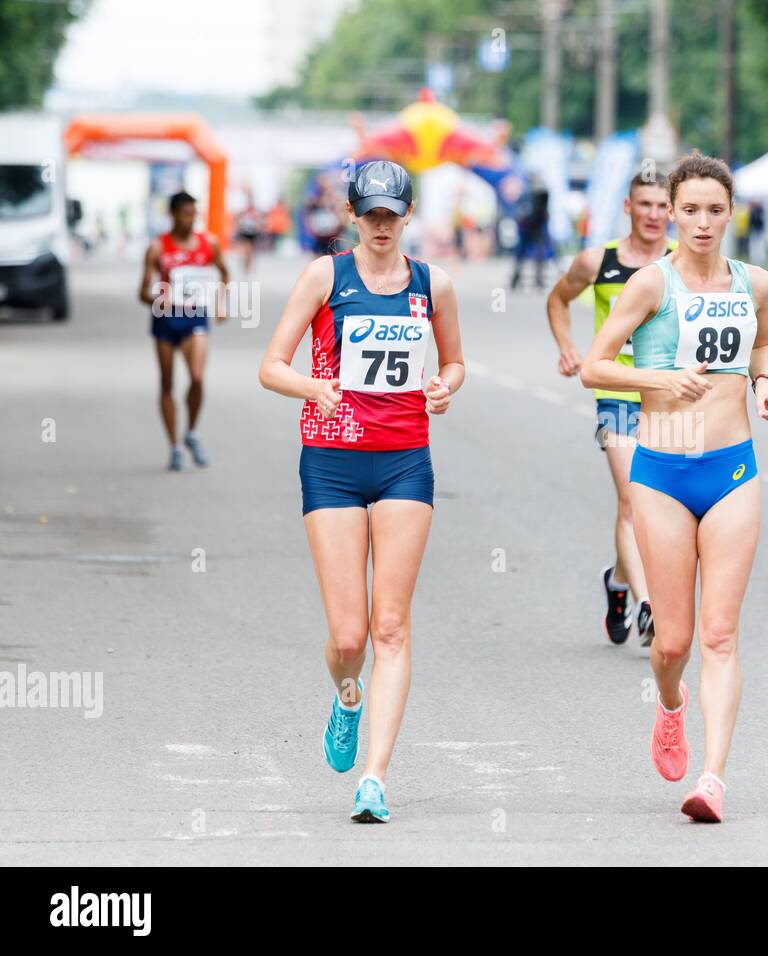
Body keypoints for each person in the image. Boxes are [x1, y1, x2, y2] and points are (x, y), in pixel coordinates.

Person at [257, 160, 465, 824]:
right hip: (332, 461)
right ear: (352, 216)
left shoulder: (434, 285)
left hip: (406, 461)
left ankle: (374, 778)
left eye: (392, 214)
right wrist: (313, 387)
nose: (381, 225)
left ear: (408, 217)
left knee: (390, 625)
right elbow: (271, 366)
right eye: (370, 213)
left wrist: (444, 386)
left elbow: (455, 361)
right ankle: (348, 696)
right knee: (349, 637)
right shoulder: (325, 276)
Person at [581, 152, 768, 823]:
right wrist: (663, 380)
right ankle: (671, 707)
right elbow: (594, 365)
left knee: (720, 636)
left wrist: (765, 385)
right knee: (673, 644)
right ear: (670, 212)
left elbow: (761, 347)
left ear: (731, 215)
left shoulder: (756, 284)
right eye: (688, 209)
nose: (701, 222)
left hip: (731, 471)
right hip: (663, 475)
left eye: (714, 210)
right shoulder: (649, 284)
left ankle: (713, 779)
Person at [546, 172, 674, 646]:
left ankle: (618, 582)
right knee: (632, 500)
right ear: (628, 206)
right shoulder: (598, 260)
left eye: (664, 205)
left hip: (666, 396)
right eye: (646, 204)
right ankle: (648, 607)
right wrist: (567, 347)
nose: (655, 214)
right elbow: (557, 299)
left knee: (656, 504)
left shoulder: (681, 265)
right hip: (617, 393)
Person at [137, 190, 230, 471]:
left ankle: (191, 431)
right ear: (173, 215)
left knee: (198, 377)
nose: (191, 219)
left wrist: (221, 302)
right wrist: (156, 299)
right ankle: (174, 446)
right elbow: (142, 291)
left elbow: (225, 273)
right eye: (185, 214)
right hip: (166, 321)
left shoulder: (208, 244)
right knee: (167, 383)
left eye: (194, 214)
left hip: (196, 319)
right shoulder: (158, 248)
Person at [511, 186, 552, 290]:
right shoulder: (528, 196)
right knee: (523, 254)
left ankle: (538, 279)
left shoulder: (542, 195)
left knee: (538, 254)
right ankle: (516, 279)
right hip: (528, 226)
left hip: (535, 226)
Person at [235, 189, 261, 273]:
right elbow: (238, 220)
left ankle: (247, 265)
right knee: (246, 249)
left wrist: (257, 226)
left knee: (250, 251)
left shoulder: (254, 212)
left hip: (252, 233)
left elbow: (258, 222)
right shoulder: (243, 211)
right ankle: (244, 263)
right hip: (245, 232)